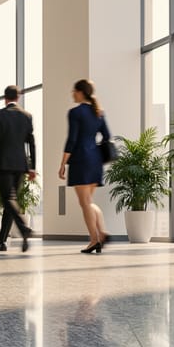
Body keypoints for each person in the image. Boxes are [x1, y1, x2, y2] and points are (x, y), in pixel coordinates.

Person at [58, 79, 111, 254]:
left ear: (81, 92)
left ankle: (95, 239)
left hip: (81, 159)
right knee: (87, 201)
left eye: (74, 91)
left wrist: (63, 163)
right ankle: (101, 232)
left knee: (85, 202)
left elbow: (72, 139)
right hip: (95, 160)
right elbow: (106, 136)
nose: (72, 94)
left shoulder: (75, 112)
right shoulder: (99, 112)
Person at [0, 85, 36, 252]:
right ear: (18, 97)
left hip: (3, 164)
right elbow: (31, 143)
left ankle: (24, 228)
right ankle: (1, 241)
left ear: (5, 98)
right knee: (11, 200)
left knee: (7, 199)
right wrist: (32, 167)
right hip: (21, 165)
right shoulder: (27, 116)